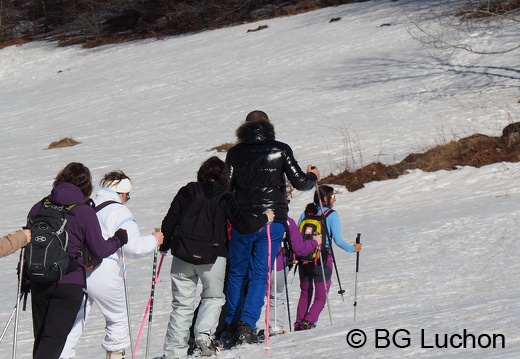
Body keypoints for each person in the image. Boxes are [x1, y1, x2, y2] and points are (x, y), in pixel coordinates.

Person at [157, 156, 274, 359]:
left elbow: (169, 222)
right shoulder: (225, 196)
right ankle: (203, 336)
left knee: (181, 305)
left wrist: (164, 246)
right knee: (213, 298)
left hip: (183, 255)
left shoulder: (186, 191)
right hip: (213, 257)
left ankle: (174, 352)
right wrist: (265, 218)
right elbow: (244, 226)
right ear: (223, 177)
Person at [223, 110, 320, 346]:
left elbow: (227, 187)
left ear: (244, 127)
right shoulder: (280, 149)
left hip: (242, 220)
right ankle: (247, 323)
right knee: (259, 274)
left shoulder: (235, 153)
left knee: (236, 274)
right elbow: (301, 182)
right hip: (272, 221)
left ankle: (229, 325)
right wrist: (313, 175)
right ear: (268, 126)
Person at [25, 162, 128, 359]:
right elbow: (99, 249)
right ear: (86, 186)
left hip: (39, 278)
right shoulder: (83, 211)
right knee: (54, 340)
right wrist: (119, 239)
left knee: (42, 339)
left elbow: (28, 240)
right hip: (69, 281)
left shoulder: (40, 207)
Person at [60, 170, 164, 359]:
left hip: (78, 270)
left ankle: (62, 355)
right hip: (103, 268)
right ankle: (115, 355)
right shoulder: (119, 211)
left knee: (74, 322)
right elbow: (134, 247)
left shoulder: (87, 205)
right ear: (122, 193)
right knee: (117, 317)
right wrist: (155, 240)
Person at [294, 185, 362, 331]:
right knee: (321, 295)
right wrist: (353, 248)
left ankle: (299, 324)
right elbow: (337, 240)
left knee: (305, 292)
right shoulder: (331, 214)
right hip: (321, 258)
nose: (334, 199)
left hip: (304, 257)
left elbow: (297, 234)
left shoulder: (307, 212)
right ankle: (308, 321)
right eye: (332, 196)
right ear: (325, 199)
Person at [267, 216, 322, 335]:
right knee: (276, 296)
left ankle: (243, 327)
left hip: (254, 262)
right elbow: (300, 248)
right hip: (278, 263)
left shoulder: (254, 214)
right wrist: (315, 242)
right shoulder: (286, 221)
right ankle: (275, 328)